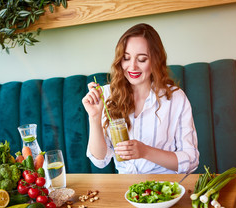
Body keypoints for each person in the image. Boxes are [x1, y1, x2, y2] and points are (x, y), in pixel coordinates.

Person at [82, 23, 199, 174]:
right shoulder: (106, 95)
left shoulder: (175, 98)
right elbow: (100, 160)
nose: (132, 67)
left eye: (142, 59)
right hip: (126, 190)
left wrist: (145, 152)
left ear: (155, 60)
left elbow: (191, 159)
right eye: (126, 58)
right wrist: (94, 117)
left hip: (166, 188)